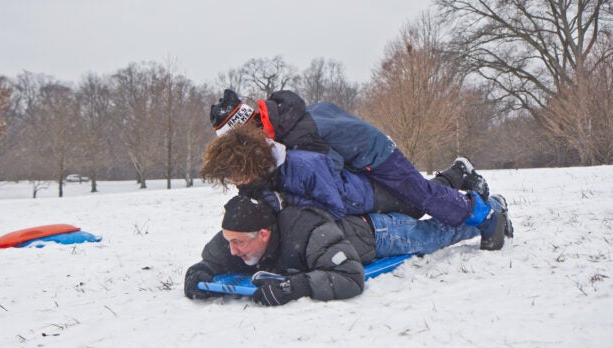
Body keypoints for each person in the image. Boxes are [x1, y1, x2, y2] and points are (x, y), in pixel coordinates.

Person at [209, 89, 504, 250]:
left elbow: (326, 172)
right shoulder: (278, 122)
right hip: (355, 158)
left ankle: (485, 215)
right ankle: (459, 173)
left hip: (375, 154)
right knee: (409, 200)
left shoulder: (295, 134)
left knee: (421, 197)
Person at [184, 194, 512, 306]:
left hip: (379, 234)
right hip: (350, 231)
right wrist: (199, 273)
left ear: (264, 234)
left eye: (238, 242)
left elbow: (350, 278)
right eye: (229, 240)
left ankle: (492, 208)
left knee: (435, 235)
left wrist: (292, 286)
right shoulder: (241, 235)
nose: (232, 249)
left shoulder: (307, 232)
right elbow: (213, 258)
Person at [200, 122, 478, 222]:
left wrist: (287, 204)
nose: (234, 182)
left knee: (419, 204)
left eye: (234, 175)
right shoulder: (263, 175)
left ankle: (469, 194)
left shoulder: (304, 165)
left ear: (249, 164)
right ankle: (457, 172)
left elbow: (335, 208)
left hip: (368, 197)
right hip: (360, 197)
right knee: (418, 196)